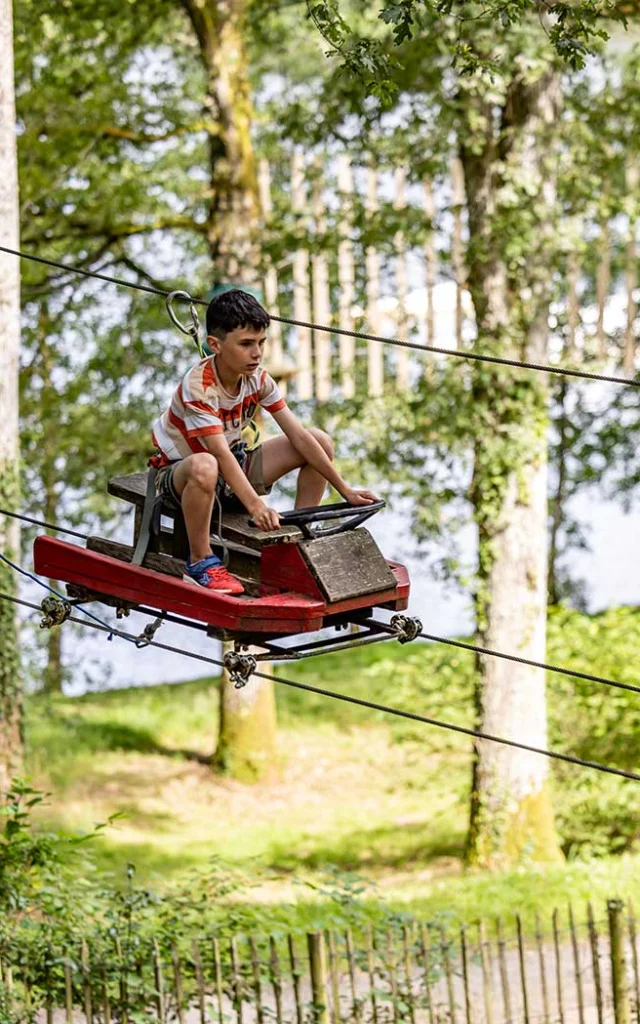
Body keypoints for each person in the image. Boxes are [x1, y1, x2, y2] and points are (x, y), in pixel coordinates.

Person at [151, 289, 378, 594]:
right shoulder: (199, 388)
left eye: (261, 343)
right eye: (246, 345)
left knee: (318, 441)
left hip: (232, 468)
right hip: (183, 478)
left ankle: (300, 537)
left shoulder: (257, 377)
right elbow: (217, 452)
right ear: (215, 345)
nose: (256, 353)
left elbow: (297, 434)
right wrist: (256, 506)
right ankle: (200, 561)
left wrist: (345, 489)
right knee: (205, 465)